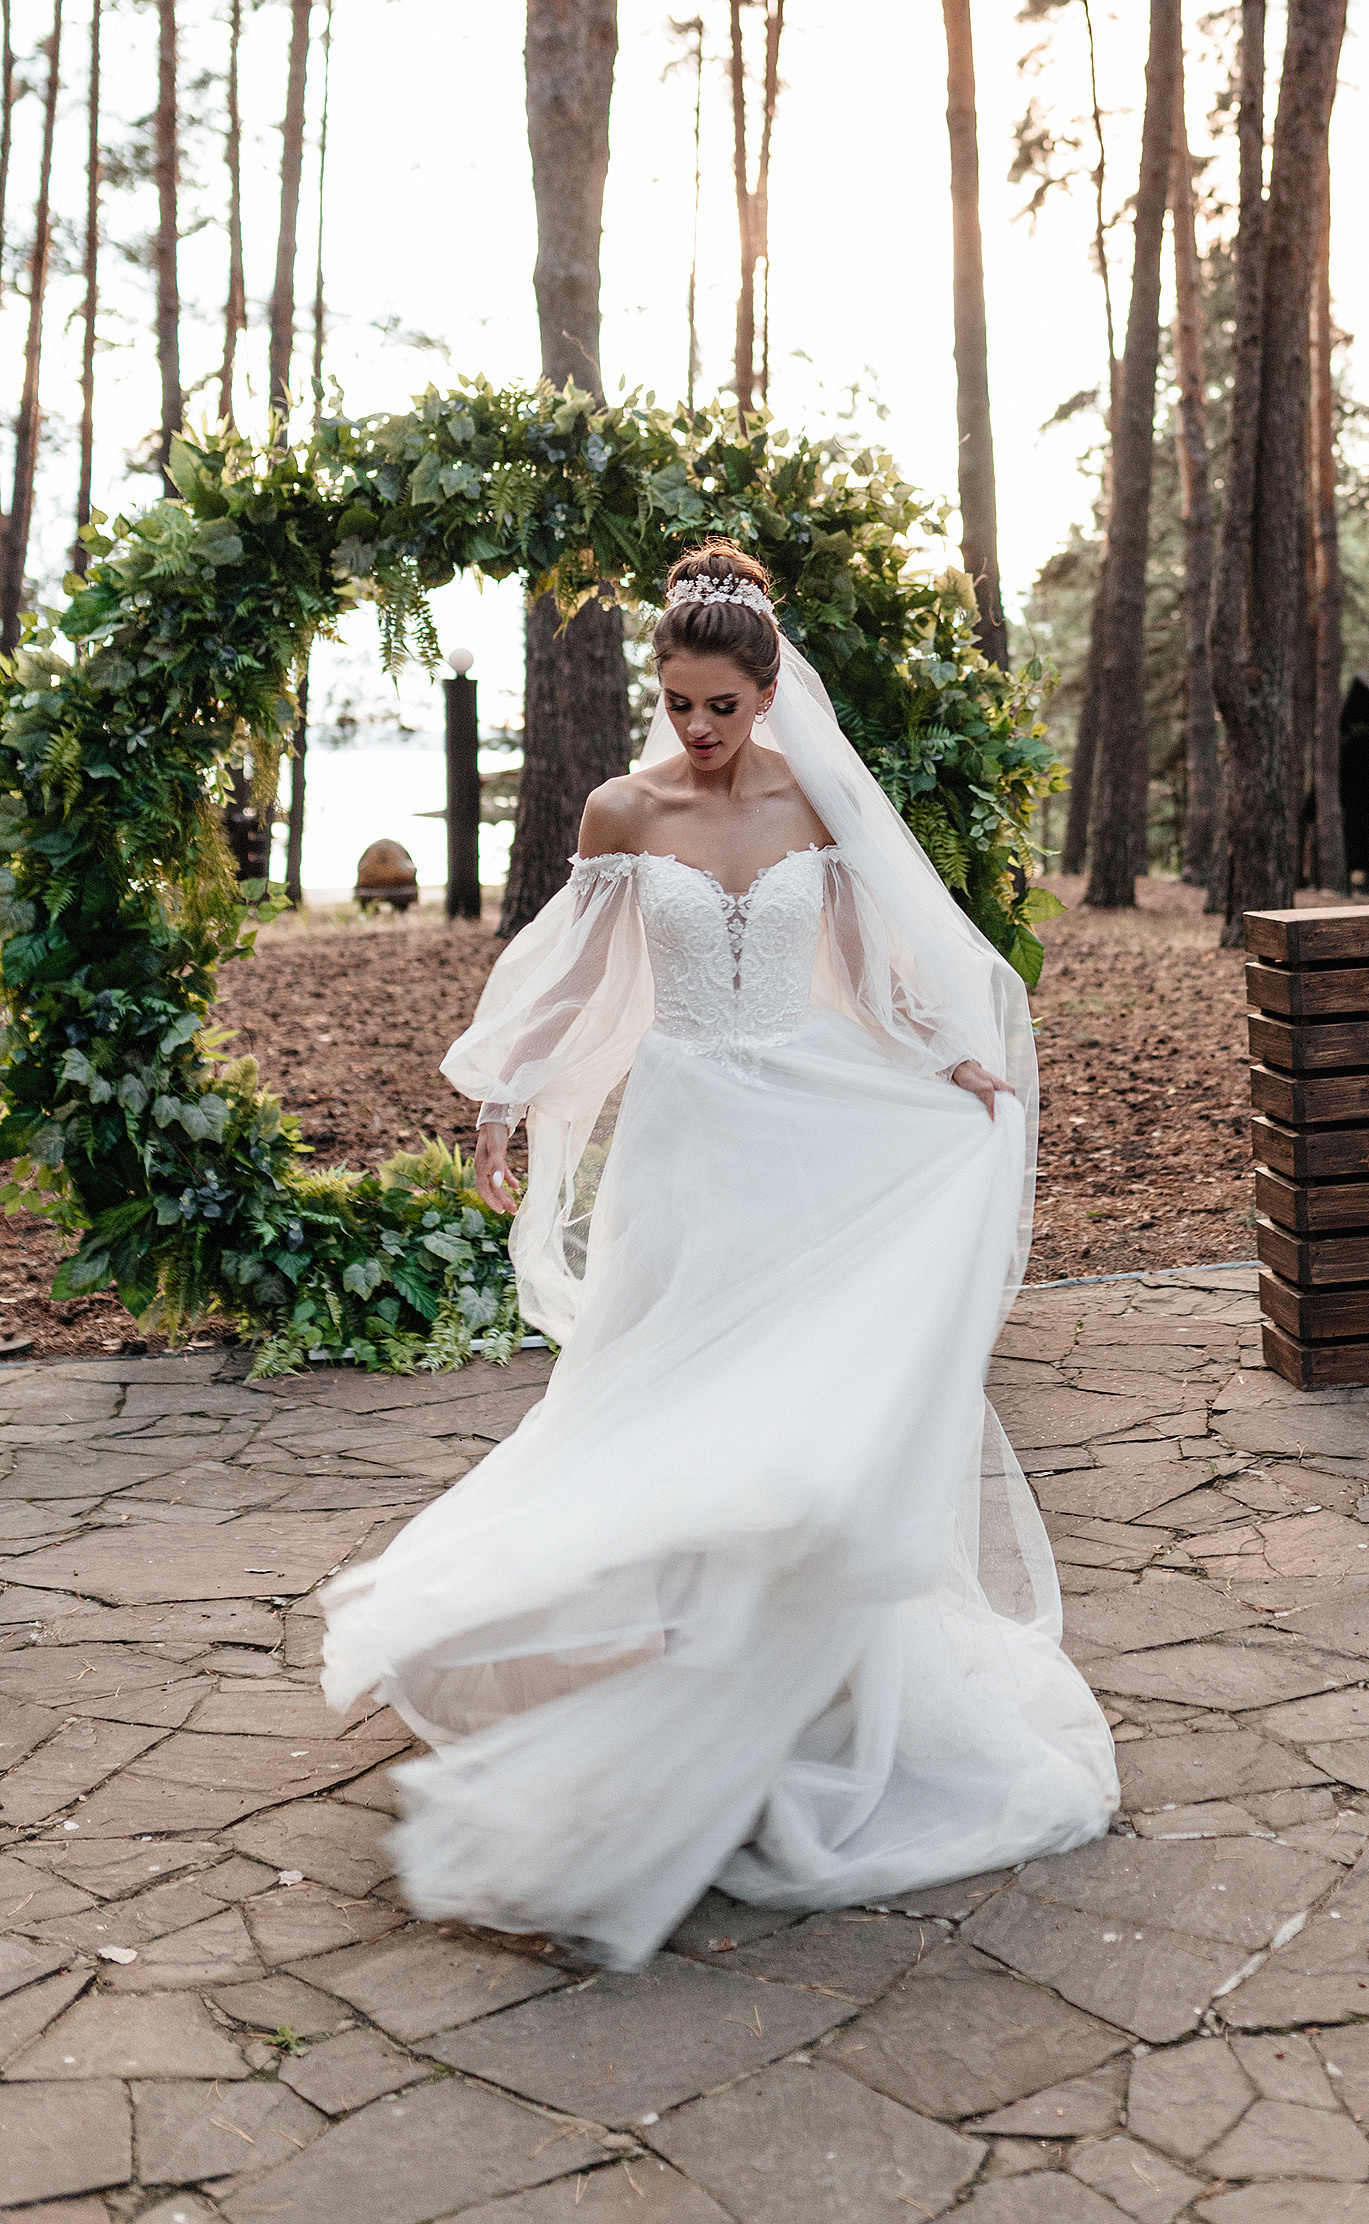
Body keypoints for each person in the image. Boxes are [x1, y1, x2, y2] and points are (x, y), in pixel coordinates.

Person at [319, 544, 1117, 1967]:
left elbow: (877, 973)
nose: (696, 732)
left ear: (767, 694)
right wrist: (506, 1099)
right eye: (678, 704)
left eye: (720, 708)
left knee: (795, 1397)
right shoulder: (624, 811)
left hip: (806, 1122)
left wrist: (953, 1067)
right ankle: (662, 1637)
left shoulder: (817, 802)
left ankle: (785, 1664)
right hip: (687, 1137)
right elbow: (574, 973)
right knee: (657, 1380)